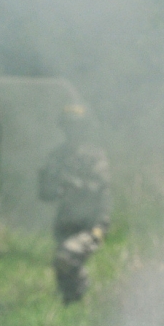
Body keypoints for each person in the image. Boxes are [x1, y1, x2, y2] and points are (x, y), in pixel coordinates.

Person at [38, 104, 112, 303]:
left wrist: (74, 184)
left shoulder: (94, 157)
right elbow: (45, 192)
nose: (72, 131)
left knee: (66, 257)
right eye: (69, 126)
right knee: (62, 271)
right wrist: (54, 187)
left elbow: (100, 187)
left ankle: (84, 291)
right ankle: (71, 305)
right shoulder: (56, 156)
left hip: (92, 223)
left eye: (76, 126)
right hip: (66, 221)